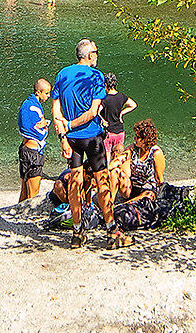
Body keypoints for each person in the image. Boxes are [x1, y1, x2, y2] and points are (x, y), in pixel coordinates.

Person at [50, 39, 113, 249]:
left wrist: (63, 136)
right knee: (102, 180)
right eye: (96, 52)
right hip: (92, 137)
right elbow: (93, 112)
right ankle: (112, 229)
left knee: (75, 183)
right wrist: (70, 125)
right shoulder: (96, 76)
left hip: (72, 140)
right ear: (89, 55)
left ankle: (77, 232)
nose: (97, 55)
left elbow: (55, 111)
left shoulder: (62, 74)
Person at [109, 119, 168, 247]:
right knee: (115, 172)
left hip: (147, 190)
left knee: (146, 196)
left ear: (145, 139)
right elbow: (120, 159)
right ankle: (110, 204)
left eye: (138, 137)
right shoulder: (134, 148)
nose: (135, 139)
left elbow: (160, 179)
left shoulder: (156, 153)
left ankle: (121, 207)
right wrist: (107, 169)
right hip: (132, 187)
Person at [18, 77, 53, 202]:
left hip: (24, 150)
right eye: (46, 93)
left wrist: (42, 124)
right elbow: (37, 127)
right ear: (38, 92)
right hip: (33, 153)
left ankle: (18, 217)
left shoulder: (27, 104)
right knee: (33, 195)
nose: (48, 96)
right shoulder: (33, 107)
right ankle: (29, 220)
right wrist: (44, 124)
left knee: (24, 191)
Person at [99, 73, 135, 164]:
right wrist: (122, 113)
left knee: (107, 156)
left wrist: (103, 120)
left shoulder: (105, 99)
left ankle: (107, 175)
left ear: (105, 85)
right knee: (118, 156)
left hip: (109, 132)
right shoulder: (121, 96)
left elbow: (96, 111)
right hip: (120, 131)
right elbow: (133, 105)